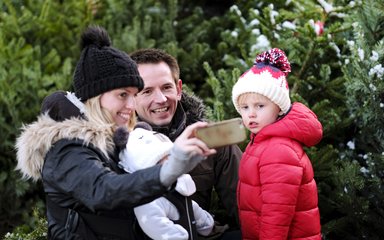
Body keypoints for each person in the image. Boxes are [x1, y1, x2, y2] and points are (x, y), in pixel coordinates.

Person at [15, 25, 216, 240]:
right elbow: (104, 190)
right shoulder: (67, 148)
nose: (131, 104)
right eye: (122, 95)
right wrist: (169, 169)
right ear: (95, 96)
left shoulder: (116, 142)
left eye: (134, 94)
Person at [130, 48, 242, 239]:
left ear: (179, 89)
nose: (161, 99)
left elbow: (245, 207)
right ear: (130, 97)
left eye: (166, 87)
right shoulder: (118, 148)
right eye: (147, 91)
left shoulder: (211, 139)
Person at [231, 48, 322, 239]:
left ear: (279, 108)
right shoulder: (262, 141)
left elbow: (277, 214)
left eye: (260, 106)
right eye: (245, 107)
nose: (251, 114)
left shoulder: (278, 150)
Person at [114, 123, 214, 239]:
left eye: (171, 157)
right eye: (161, 161)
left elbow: (189, 206)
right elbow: (157, 227)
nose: (170, 164)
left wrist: (205, 223)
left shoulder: (177, 186)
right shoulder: (147, 202)